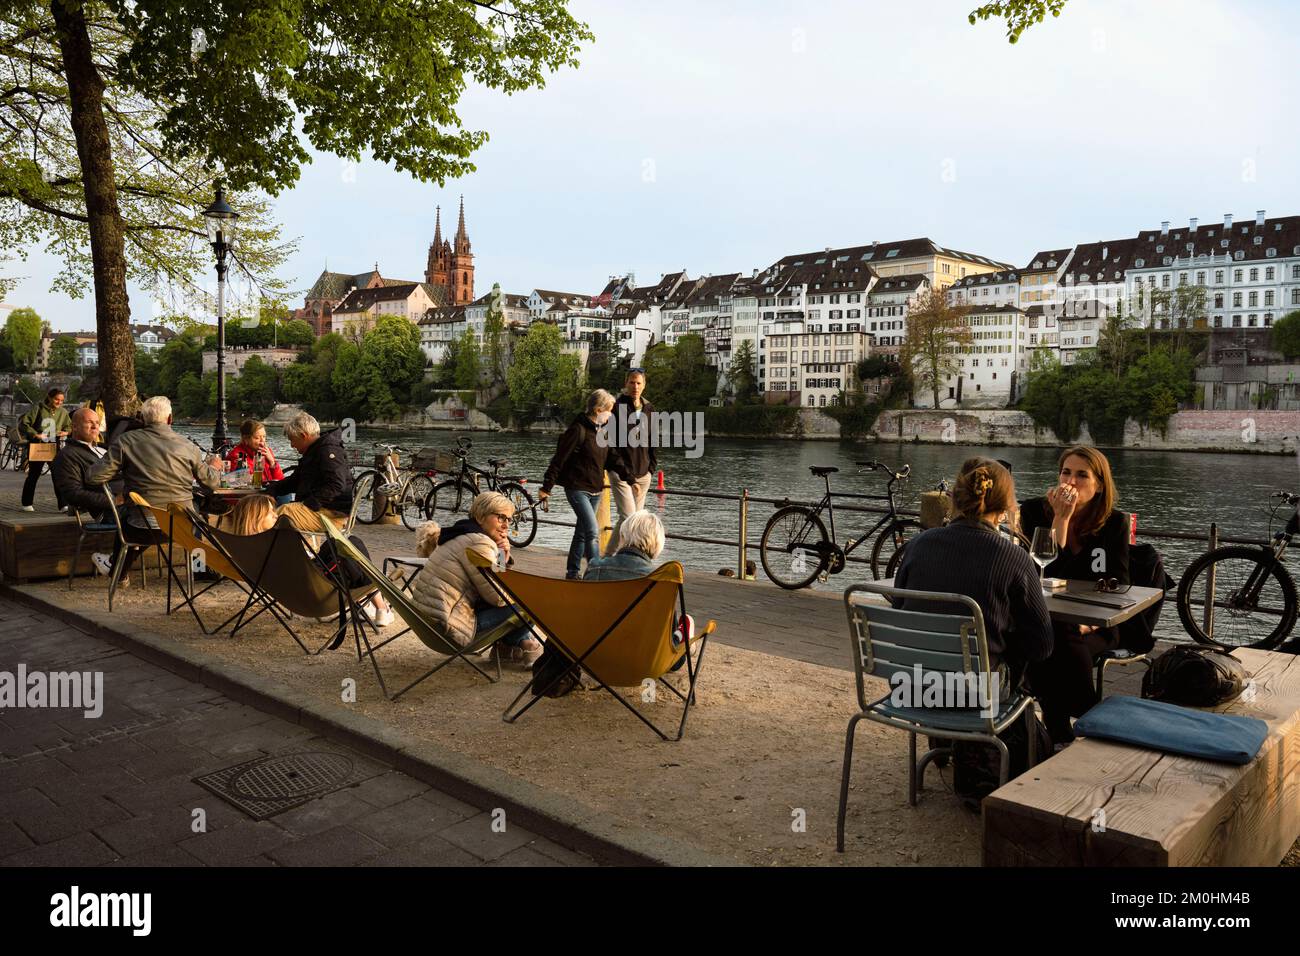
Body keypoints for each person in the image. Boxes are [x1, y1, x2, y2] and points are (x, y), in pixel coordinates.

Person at [893, 458, 1054, 688]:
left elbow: (899, 609)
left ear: (953, 496)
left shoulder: (918, 544)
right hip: (972, 693)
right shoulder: (1014, 557)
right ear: (1006, 506)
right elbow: (1042, 645)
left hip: (911, 686)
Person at [1018, 445, 1130, 744]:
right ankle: (1083, 715)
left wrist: (1088, 622)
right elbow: (1042, 570)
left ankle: (1060, 726)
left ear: (1099, 484)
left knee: (1052, 643)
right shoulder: (1032, 511)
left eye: (1082, 475)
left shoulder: (1115, 522)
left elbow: (1119, 583)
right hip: (1050, 619)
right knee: (1054, 636)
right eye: (1066, 472)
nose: (1071, 481)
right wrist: (1061, 519)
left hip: (1097, 624)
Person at [88, 395, 223, 582]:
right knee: (195, 514)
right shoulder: (188, 446)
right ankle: (198, 569)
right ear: (170, 419)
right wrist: (215, 467)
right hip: (182, 529)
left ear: (142, 419)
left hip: (141, 527)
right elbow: (212, 484)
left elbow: (95, 477)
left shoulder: (126, 441)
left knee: (130, 514)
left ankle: (117, 568)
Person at [409, 492, 541, 665]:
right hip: (450, 628)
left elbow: (491, 586)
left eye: (509, 519)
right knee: (535, 601)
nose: (506, 525)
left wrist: (503, 554)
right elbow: (498, 598)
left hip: (430, 623)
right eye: (501, 518)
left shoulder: (460, 533)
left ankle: (516, 645)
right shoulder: (479, 543)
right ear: (480, 517)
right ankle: (519, 645)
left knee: (519, 599)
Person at [227, 494, 394, 627]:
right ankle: (380, 606)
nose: (275, 515)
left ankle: (373, 604)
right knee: (352, 545)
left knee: (335, 545)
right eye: (270, 513)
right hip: (318, 593)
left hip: (295, 595)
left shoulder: (246, 547)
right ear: (256, 519)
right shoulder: (279, 541)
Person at [538, 388, 625, 579]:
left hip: (596, 489)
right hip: (577, 489)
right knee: (592, 531)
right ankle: (596, 574)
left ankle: (572, 572)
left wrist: (629, 476)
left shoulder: (603, 431)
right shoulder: (578, 430)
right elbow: (559, 459)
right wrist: (546, 487)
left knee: (581, 532)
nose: (610, 415)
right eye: (609, 410)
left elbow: (612, 458)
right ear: (597, 409)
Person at [264, 412, 353, 535]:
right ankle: (299, 551)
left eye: (292, 440)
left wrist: (309, 504)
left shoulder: (327, 450)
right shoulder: (316, 450)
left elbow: (336, 484)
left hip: (333, 514)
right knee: (282, 513)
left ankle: (274, 551)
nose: (292, 445)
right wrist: (271, 490)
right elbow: (295, 481)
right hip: (326, 509)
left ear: (303, 435)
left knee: (281, 515)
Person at [603, 369, 657, 556]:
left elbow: (653, 440)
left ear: (644, 385)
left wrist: (651, 469)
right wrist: (625, 473)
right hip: (620, 473)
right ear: (626, 383)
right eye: (632, 382)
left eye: (639, 383)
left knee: (632, 521)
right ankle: (609, 559)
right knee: (628, 518)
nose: (635, 386)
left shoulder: (650, 409)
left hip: (643, 474)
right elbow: (610, 445)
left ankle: (616, 558)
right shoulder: (616, 408)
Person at [52, 406, 122, 524]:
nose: (95, 427)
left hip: (134, 500)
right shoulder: (67, 455)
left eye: (97, 423)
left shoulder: (104, 448)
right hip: (112, 511)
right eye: (89, 422)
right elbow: (73, 493)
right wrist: (114, 500)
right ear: (74, 427)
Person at [19, 386, 72, 511]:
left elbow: (70, 427)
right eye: (56, 399)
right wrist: (35, 434)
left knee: (58, 474)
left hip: (54, 445)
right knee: (34, 474)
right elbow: (24, 424)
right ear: (50, 398)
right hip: (38, 445)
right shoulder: (38, 409)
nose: (59, 402)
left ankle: (63, 504)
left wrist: (65, 433)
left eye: (62, 400)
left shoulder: (63, 412)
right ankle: (26, 503)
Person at [225, 419, 287, 500]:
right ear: (246, 439)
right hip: (250, 497)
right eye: (257, 438)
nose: (262, 441)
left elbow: (280, 480)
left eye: (264, 436)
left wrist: (272, 462)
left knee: (285, 493)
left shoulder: (267, 452)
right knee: (283, 496)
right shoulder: (237, 455)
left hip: (267, 492)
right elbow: (239, 483)